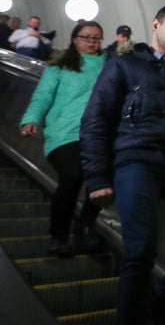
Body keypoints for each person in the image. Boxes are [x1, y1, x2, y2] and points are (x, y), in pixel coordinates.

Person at [80, 5, 165, 324]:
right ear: (156, 24)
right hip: (137, 161)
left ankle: (161, 295)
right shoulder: (124, 65)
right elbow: (96, 119)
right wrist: (97, 177)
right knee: (140, 251)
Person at [20, 21, 105, 257]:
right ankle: (58, 236)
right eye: (86, 37)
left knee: (99, 178)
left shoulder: (109, 67)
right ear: (75, 39)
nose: (91, 41)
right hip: (63, 132)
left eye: (97, 38)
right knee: (72, 175)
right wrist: (32, 118)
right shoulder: (59, 66)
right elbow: (43, 96)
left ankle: (85, 227)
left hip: (97, 134)